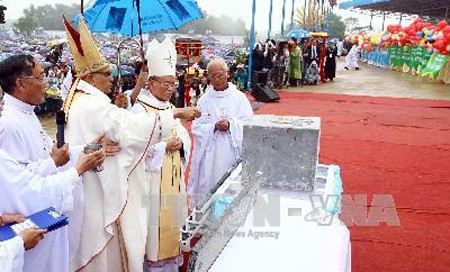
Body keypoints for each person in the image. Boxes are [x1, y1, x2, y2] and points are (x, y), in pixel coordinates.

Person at [62, 16, 200, 272]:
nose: (112, 78)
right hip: (128, 185)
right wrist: (172, 124)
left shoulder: (84, 99)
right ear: (91, 77)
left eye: (173, 84)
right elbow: (131, 132)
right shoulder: (104, 105)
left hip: (160, 179)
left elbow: (135, 137)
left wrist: (180, 144)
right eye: (107, 73)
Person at [0, 82, 106, 272]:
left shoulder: (26, 113)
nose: (45, 83)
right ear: (21, 83)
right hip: (24, 230)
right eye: (40, 77)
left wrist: (82, 150)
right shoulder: (8, 123)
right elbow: (26, 185)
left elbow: (42, 157)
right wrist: (76, 169)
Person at [131, 37, 191, 272]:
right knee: (153, 234)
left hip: (173, 178)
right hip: (151, 184)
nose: (169, 88)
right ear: (151, 83)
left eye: (172, 84)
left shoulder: (169, 108)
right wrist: (162, 147)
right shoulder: (139, 110)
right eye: (165, 84)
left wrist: (180, 144)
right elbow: (134, 149)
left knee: (171, 224)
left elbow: (183, 135)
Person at [188, 58, 253, 206]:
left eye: (220, 75)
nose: (216, 80)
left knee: (231, 188)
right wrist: (213, 127)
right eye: (212, 76)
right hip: (211, 153)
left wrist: (231, 124)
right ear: (208, 77)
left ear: (227, 74)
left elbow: (248, 124)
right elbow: (196, 127)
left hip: (231, 150)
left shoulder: (239, 98)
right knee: (210, 186)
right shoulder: (204, 100)